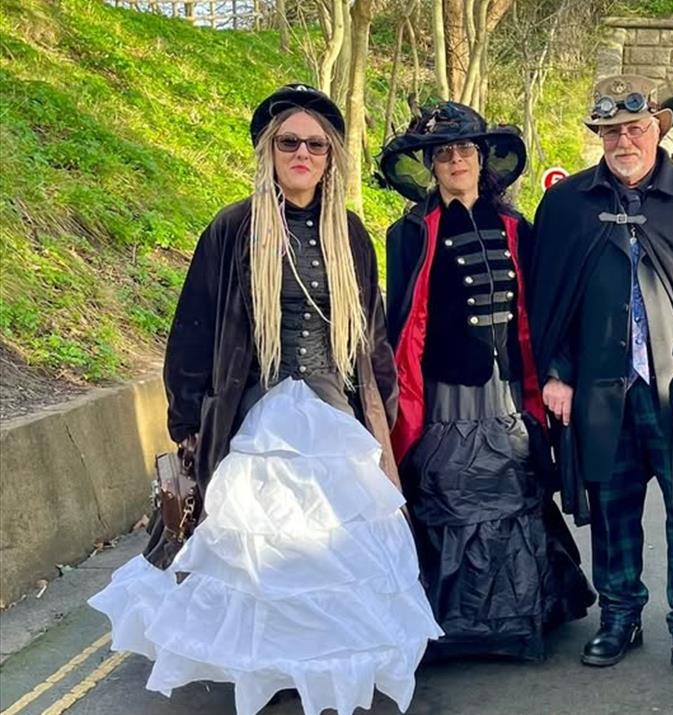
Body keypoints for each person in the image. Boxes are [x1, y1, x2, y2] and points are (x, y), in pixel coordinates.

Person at [88, 84, 441, 715]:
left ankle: (324, 671)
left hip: (334, 413)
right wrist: (186, 418)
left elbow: (373, 334)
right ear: (268, 151)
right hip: (257, 411)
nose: (301, 153)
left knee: (337, 555)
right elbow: (194, 323)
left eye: (315, 144)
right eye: (289, 143)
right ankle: (269, 670)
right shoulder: (234, 227)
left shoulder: (351, 234)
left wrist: (380, 413)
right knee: (263, 550)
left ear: (331, 157)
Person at [528, 75, 673, 695]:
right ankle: (620, 616)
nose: (624, 140)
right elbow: (553, 301)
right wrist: (558, 372)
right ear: (599, 137)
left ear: (658, 129)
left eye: (635, 128)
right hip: (600, 387)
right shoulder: (568, 204)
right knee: (612, 507)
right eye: (611, 132)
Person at [375, 101, 594, 661]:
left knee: (513, 496)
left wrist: (550, 373)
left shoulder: (517, 227)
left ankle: (515, 620)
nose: (456, 161)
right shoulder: (409, 233)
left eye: (465, 151)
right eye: (444, 153)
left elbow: (540, 310)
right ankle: (454, 624)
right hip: (448, 395)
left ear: (482, 160)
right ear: (432, 165)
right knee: (451, 498)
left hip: (507, 392)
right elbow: (402, 319)